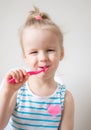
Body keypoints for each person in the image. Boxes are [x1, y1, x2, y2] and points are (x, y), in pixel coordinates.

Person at [0, 7, 74, 130]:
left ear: (61, 53)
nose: (43, 58)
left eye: (50, 50)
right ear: (25, 57)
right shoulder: (17, 91)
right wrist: (7, 92)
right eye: (34, 52)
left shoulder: (65, 98)